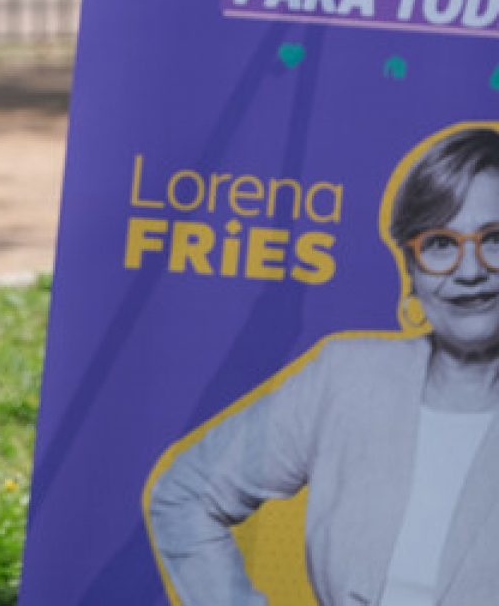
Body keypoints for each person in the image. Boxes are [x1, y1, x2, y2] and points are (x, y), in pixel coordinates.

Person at [148, 124, 499, 606]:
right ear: (410, 270)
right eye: (440, 244)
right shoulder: (347, 377)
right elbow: (185, 497)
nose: (470, 270)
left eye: (494, 238)